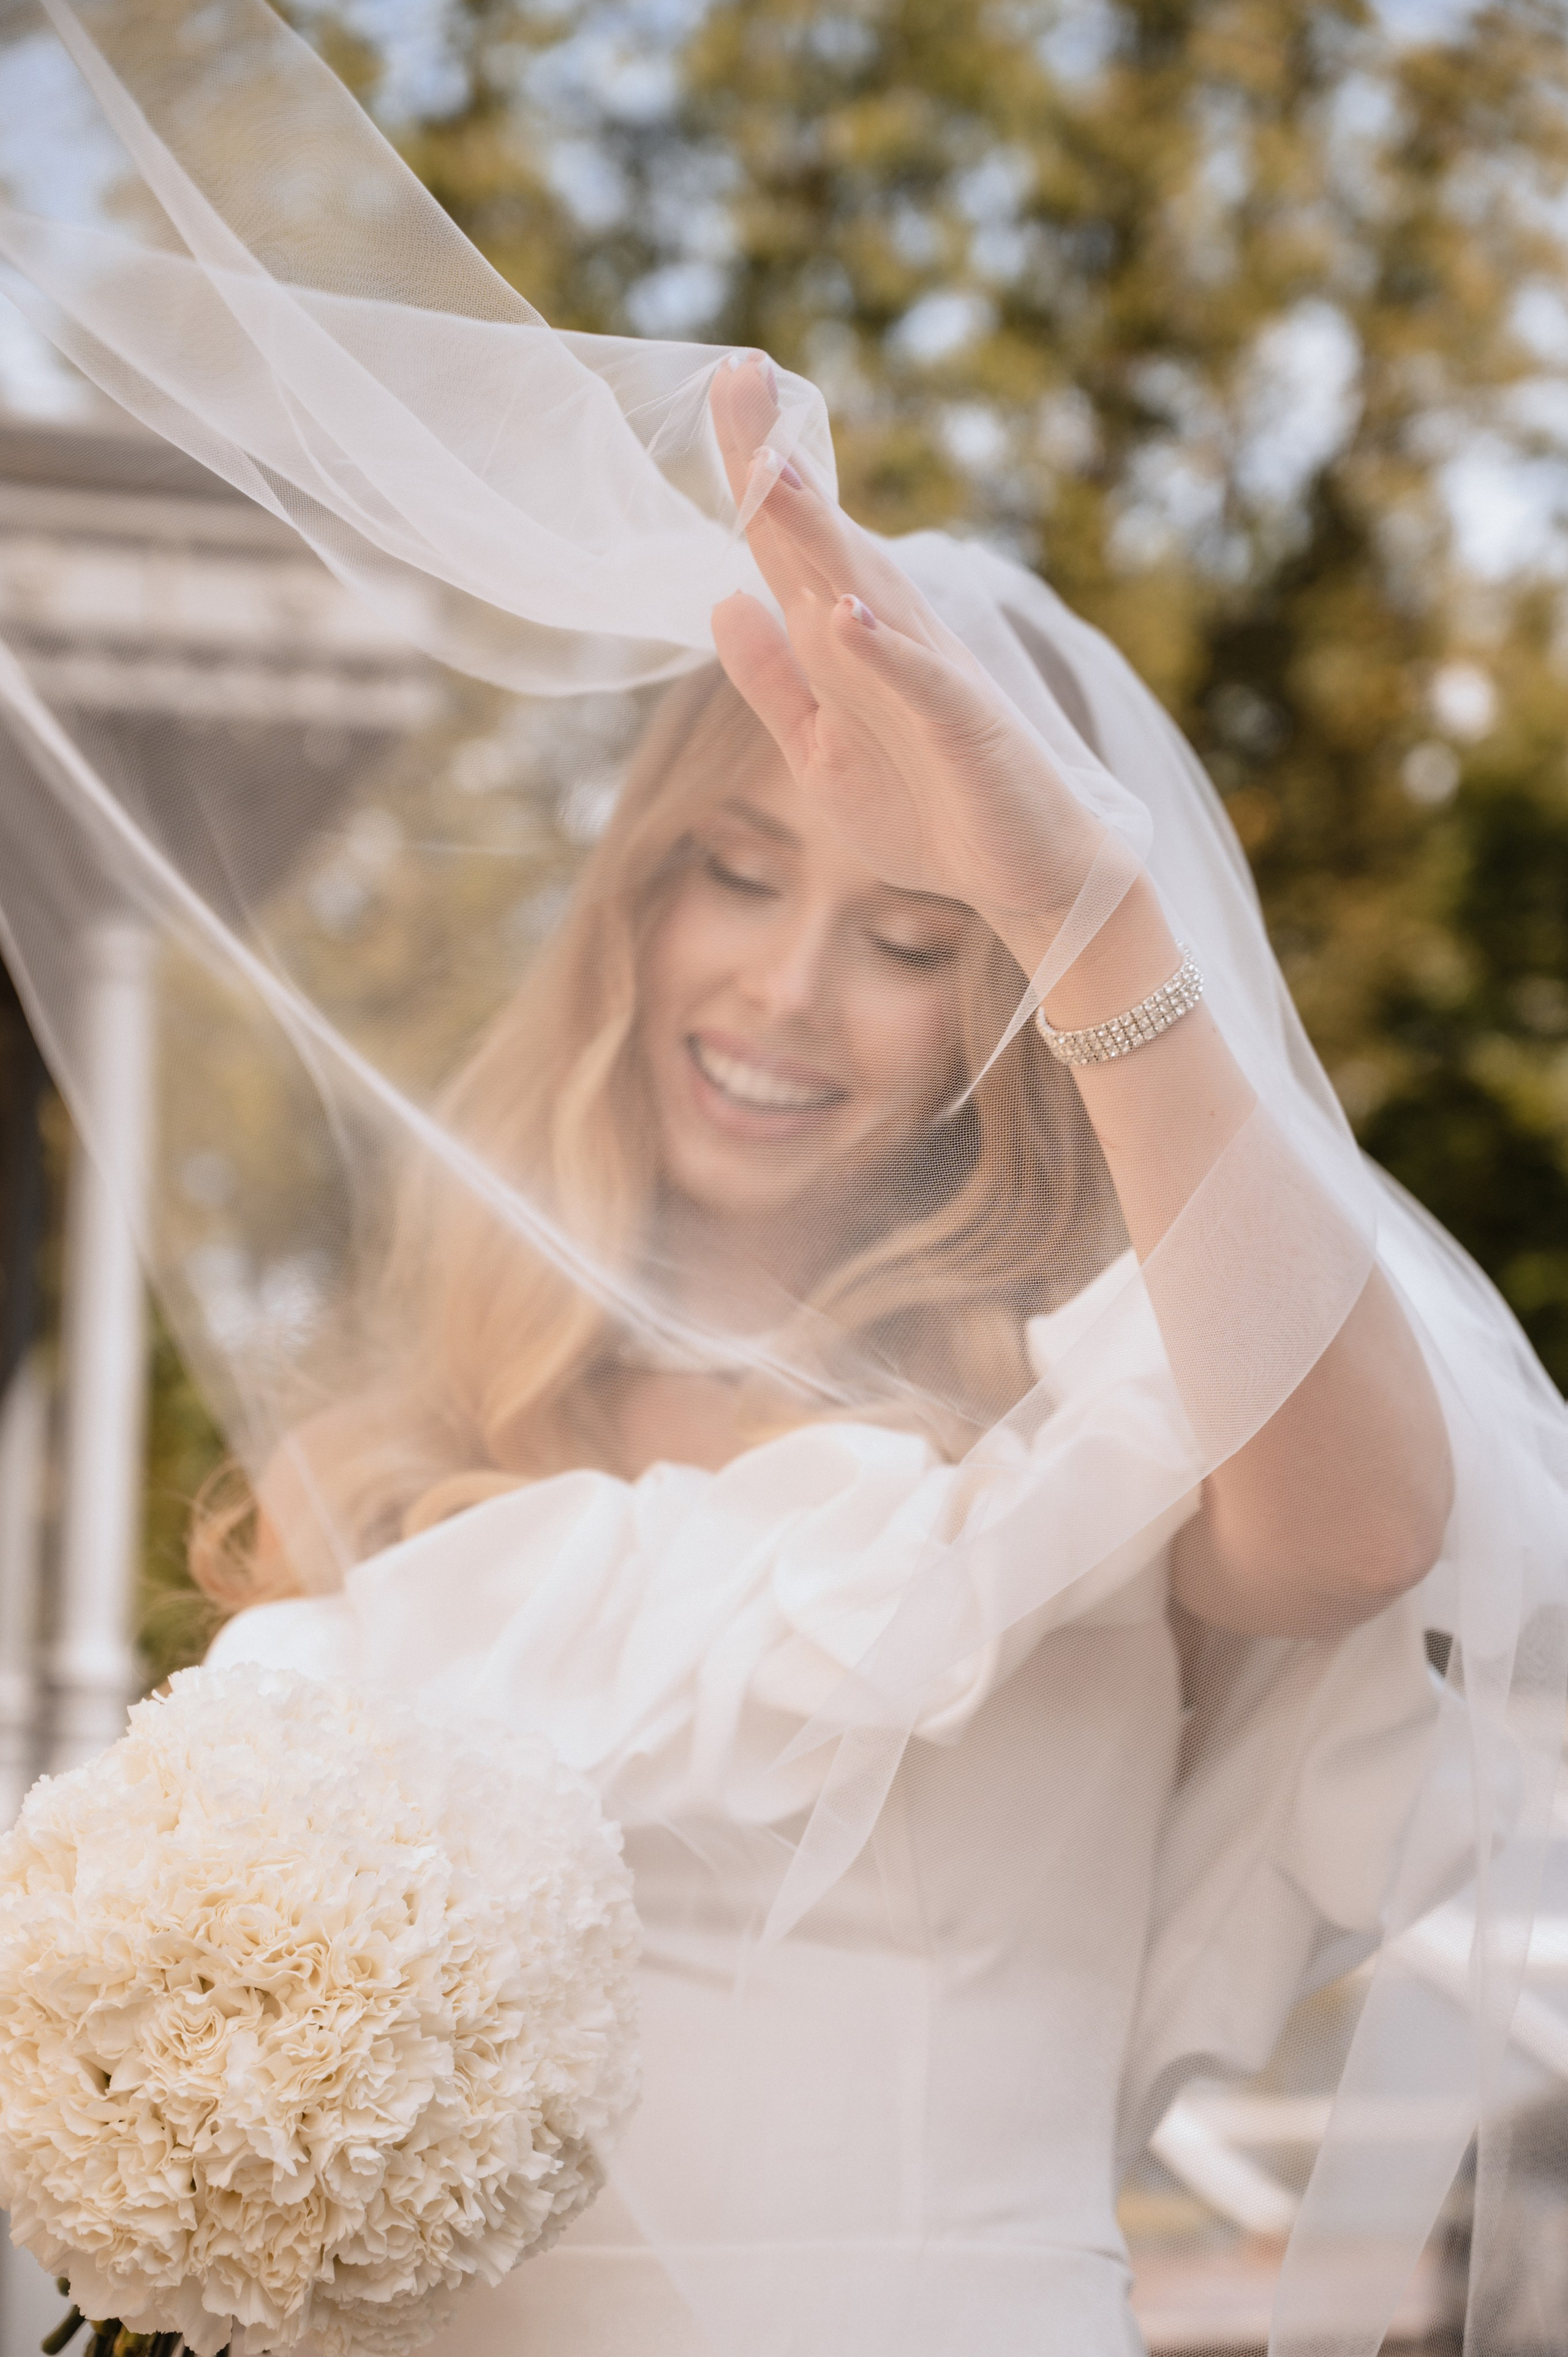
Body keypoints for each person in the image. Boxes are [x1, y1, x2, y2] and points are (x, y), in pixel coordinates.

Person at [0, 6, 1562, 2352]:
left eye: (913, 938)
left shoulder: (1088, 1427)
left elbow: (1364, 1530)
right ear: (636, 903)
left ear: (992, 1016)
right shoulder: (413, 1455)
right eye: (736, 874)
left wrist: (1082, 909)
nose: (788, 993)